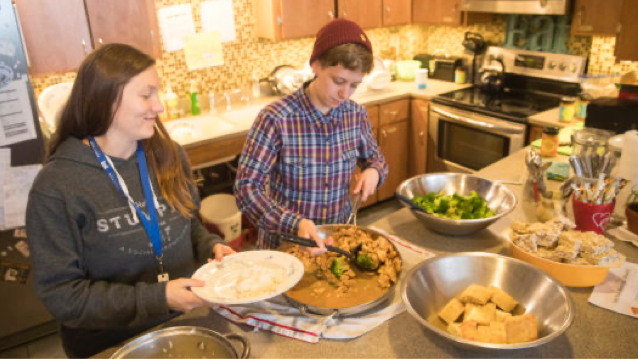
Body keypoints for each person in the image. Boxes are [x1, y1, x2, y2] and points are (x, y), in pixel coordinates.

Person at [25, 43, 234, 359]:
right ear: (106, 99)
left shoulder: (168, 154)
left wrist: (210, 247)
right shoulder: (56, 187)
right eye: (146, 94)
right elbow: (63, 297)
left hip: (187, 325)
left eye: (158, 93)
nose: (160, 106)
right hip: (110, 345)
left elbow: (188, 224)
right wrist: (157, 298)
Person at [234, 19, 388, 253]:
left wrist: (374, 172)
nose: (345, 93)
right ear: (315, 65)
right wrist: (295, 224)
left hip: (336, 244)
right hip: (286, 249)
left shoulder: (355, 115)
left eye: (354, 85)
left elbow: (376, 160)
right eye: (338, 81)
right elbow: (246, 189)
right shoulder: (276, 119)